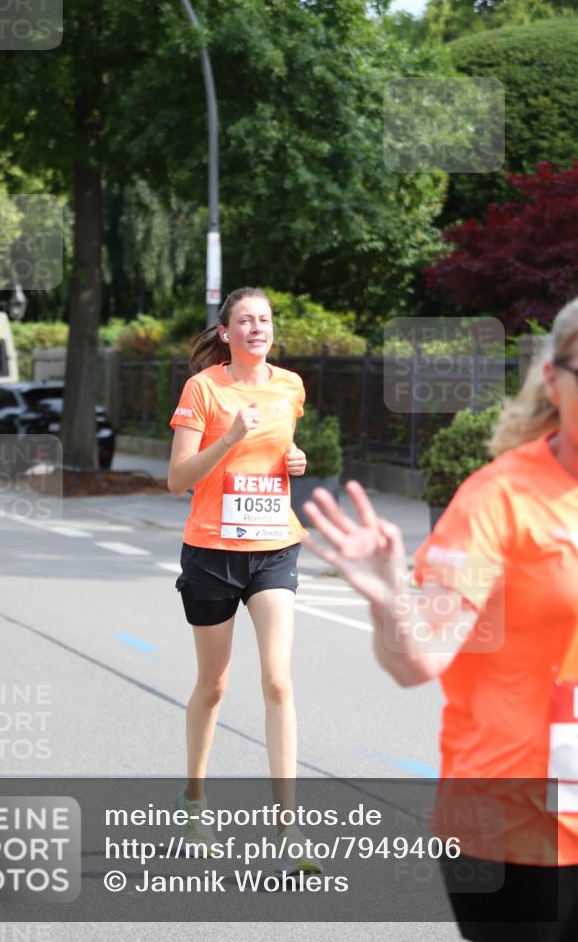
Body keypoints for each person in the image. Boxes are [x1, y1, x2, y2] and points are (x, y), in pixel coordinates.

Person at [301, 297, 578, 940]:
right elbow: (421, 657)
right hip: (516, 828)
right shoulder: (498, 503)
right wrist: (388, 597)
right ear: (554, 379)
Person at [167, 286, 321, 873]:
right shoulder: (203, 390)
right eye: (245, 321)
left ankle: (287, 831)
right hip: (211, 553)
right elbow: (178, 478)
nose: (257, 328)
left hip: (273, 547)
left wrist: (296, 458)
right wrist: (228, 438)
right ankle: (194, 799)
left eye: (265, 319)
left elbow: (278, 448)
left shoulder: (290, 386)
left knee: (279, 681)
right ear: (227, 333)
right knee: (215, 685)